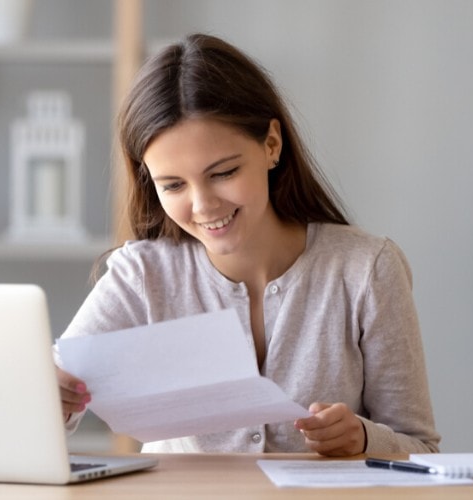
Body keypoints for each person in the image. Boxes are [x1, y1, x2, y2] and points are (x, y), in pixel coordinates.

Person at [55, 33, 440, 456]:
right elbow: (53, 390)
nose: (202, 205)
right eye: (174, 185)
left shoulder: (366, 269)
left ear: (271, 145)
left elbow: (421, 447)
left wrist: (366, 439)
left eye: (223, 172)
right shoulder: (142, 275)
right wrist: (51, 396)